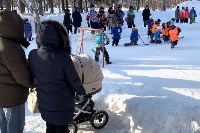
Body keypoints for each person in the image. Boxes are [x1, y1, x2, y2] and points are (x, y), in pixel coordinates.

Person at [28, 20, 86, 133]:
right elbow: (74, 79)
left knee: (49, 127)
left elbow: (35, 76)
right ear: (59, 36)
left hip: (45, 102)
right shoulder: (63, 57)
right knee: (61, 129)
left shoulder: (33, 55)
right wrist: (81, 92)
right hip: (62, 104)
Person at [0, 10, 35, 133]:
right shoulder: (10, 47)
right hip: (12, 97)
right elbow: (22, 76)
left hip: (2, 95)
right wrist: (33, 82)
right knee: (14, 127)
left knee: (3, 126)